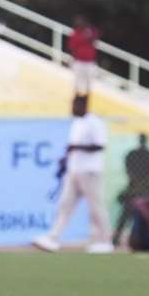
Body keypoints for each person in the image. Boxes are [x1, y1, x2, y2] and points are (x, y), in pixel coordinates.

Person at [32, 95, 114, 253]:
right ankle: (53, 237)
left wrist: (77, 148)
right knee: (65, 203)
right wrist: (66, 158)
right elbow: (73, 147)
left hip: (90, 170)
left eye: (74, 105)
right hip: (75, 169)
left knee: (95, 206)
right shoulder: (77, 122)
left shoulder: (93, 122)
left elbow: (100, 145)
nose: (72, 108)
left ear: (82, 105)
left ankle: (105, 240)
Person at [113, 133, 149, 245]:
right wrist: (136, 180)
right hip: (134, 187)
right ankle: (116, 237)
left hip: (145, 188)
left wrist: (144, 181)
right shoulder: (133, 154)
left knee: (148, 215)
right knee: (126, 213)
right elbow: (128, 168)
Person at [67, 15, 99, 94]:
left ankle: (86, 100)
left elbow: (94, 41)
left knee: (89, 84)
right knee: (77, 83)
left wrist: (87, 34)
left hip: (90, 62)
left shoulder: (91, 31)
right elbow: (71, 47)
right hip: (79, 61)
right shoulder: (75, 33)